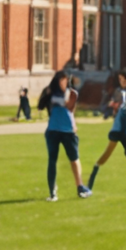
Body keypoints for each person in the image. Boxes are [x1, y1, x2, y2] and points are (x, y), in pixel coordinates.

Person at [37, 70, 88, 201]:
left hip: (68, 131)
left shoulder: (71, 93)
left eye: (66, 80)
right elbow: (40, 106)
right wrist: (46, 94)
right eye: (62, 79)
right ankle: (52, 191)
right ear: (57, 80)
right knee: (52, 160)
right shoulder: (50, 92)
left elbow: (71, 110)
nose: (64, 82)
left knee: (74, 159)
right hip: (53, 130)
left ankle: (80, 187)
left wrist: (74, 124)